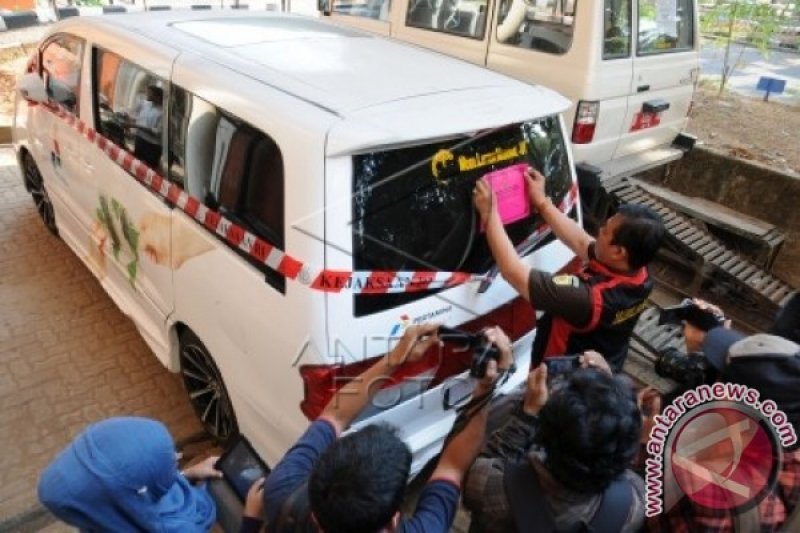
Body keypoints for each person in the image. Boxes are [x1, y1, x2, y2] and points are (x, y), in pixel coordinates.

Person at [262, 323, 514, 533]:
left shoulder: (280, 492)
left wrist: (394, 359)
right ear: (394, 520)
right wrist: (485, 386)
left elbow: (334, 416)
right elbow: (452, 467)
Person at [473, 167, 665, 371]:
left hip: (561, 386)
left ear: (619, 252)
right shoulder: (639, 273)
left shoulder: (586, 298)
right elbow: (582, 243)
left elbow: (512, 271)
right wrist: (542, 203)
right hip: (606, 371)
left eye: (605, 231)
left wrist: (490, 214)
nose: (599, 231)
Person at [645, 304, 800, 532]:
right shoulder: (788, 458)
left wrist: (646, 439)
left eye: (722, 379)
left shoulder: (703, 492)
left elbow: (649, 513)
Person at [464, 362, 646, 532]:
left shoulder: (494, 488)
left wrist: (526, 415)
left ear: (544, 434)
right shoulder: (632, 505)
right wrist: (615, 405)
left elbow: (478, 465)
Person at [38, 416, 219, 532]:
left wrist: (188, 474)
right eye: (169, 462)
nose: (176, 457)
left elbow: (138, 495)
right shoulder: (179, 528)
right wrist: (249, 516)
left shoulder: (103, 514)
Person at [129, 85, 164, 169]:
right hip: (140, 140)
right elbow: (138, 117)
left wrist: (137, 126)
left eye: (150, 93)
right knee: (135, 166)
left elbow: (157, 132)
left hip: (152, 146)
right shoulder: (145, 105)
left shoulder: (163, 112)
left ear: (157, 96)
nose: (147, 94)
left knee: (148, 170)